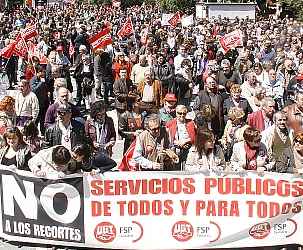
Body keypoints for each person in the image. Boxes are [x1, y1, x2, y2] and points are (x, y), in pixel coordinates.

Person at [166, 105, 196, 170]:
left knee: (187, 169)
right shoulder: (170, 124)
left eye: (184, 113)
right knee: (176, 170)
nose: (182, 115)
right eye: (180, 113)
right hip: (175, 151)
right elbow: (166, 138)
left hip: (187, 150)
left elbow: (194, 137)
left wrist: (185, 141)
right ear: (176, 113)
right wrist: (175, 142)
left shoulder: (191, 123)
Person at [29, 65, 49, 135]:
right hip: (38, 102)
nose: (45, 73)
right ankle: (34, 133)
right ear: (39, 72)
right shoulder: (33, 80)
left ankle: (43, 132)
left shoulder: (44, 78)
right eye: (43, 72)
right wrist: (41, 83)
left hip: (45, 101)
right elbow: (34, 90)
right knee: (37, 119)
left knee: (43, 118)